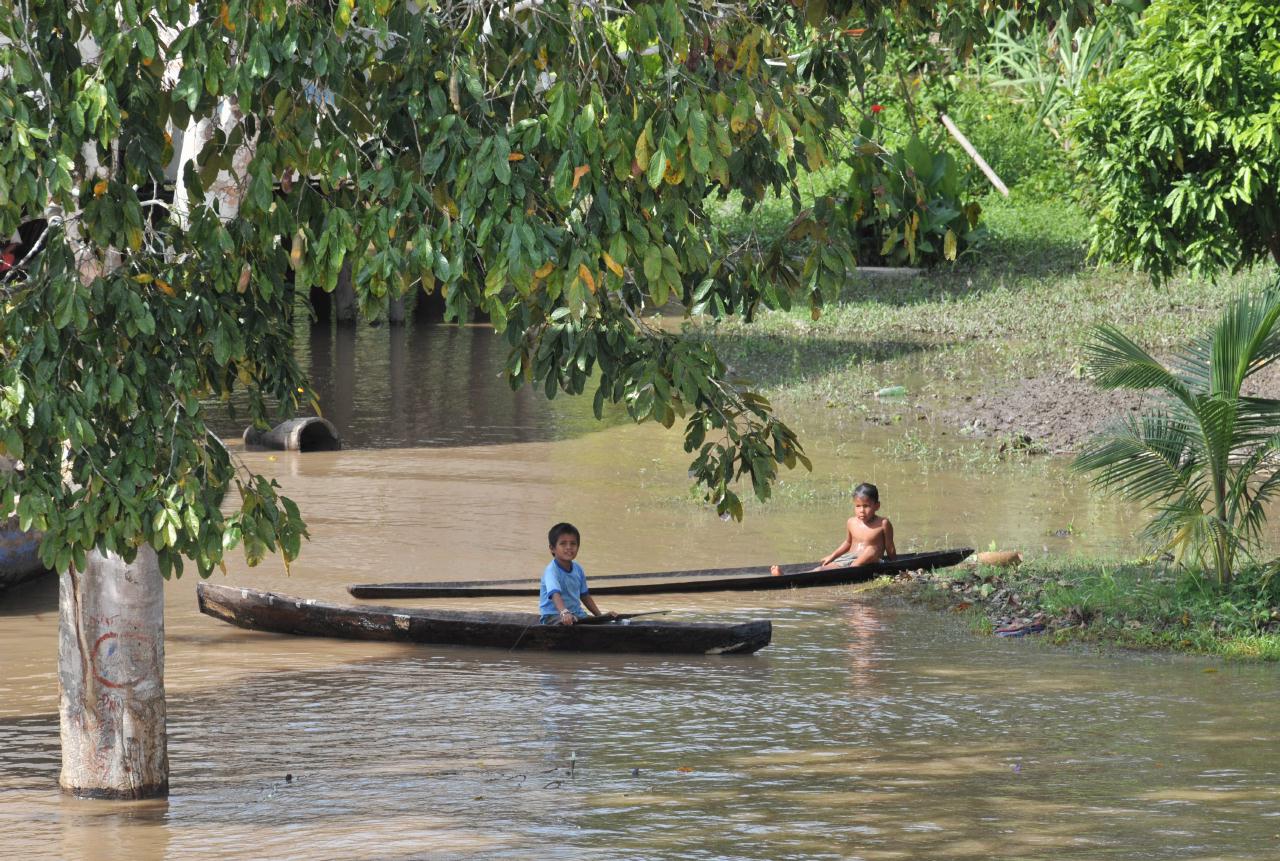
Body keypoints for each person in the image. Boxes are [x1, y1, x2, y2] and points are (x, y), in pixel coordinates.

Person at [772, 483, 896, 575]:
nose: (861, 510)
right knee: (821, 569)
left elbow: (889, 547)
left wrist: (895, 564)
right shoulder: (851, 522)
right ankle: (786, 576)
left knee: (871, 549)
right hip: (849, 559)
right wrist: (832, 556)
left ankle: (852, 569)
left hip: (871, 560)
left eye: (866, 506)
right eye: (858, 506)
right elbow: (847, 543)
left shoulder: (883, 523)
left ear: (877, 506)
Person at [538, 522, 614, 625]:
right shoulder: (551, 571)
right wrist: (564, 613)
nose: (569, 547)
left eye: (573, 543)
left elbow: (585, 596)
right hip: (553, 616)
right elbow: (555, 595)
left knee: (596, 621)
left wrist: (600, 617)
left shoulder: (578, 569)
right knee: (570, 622)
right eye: (563, 543)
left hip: (576, 614)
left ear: (578, 547)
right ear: (552, 548)